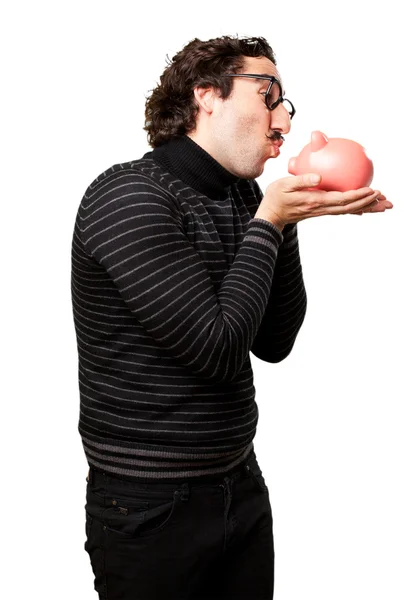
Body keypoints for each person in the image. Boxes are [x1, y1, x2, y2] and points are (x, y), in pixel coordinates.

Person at [71, 34, 392, 600]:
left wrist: (284, 220)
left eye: (285, 103)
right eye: (268, 94)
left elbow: (272, 340)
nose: (284, 120)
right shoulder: (129, 196)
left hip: (239, 485)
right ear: (206, 96)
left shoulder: (242, 197)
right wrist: (271, 220)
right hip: (150, 510)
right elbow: (219, 352)